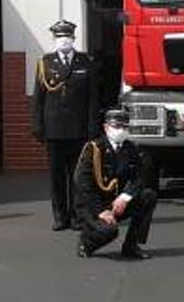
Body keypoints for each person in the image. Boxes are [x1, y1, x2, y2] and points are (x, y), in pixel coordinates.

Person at [31, 19, 101, 232]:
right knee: (56, 177)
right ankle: (60, 217)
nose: (64, 40)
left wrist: (92, 127)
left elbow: (93, 99)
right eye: (60, 37)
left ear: (73, 38)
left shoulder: (85, 62)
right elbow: (38, 99)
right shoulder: (45, 63)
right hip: (54, 130)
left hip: (79, 130)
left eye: (67, 37)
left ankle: (78, 217)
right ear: (54, 39)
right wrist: (37, 126)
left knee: (78, 176)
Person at [74, 109, 157, 260]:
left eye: (125, 127)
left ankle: (131, 246)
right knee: (110, 231)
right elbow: (82, 184)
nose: (121, 131)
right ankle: (86, 242)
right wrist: (100, 211)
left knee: (148, 196)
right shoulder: (94, 149)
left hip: (116, 202)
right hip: (93, 206)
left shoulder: (130, 148)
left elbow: (140, 176)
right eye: (117, 127)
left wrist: (125, 197)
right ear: (106, 128)